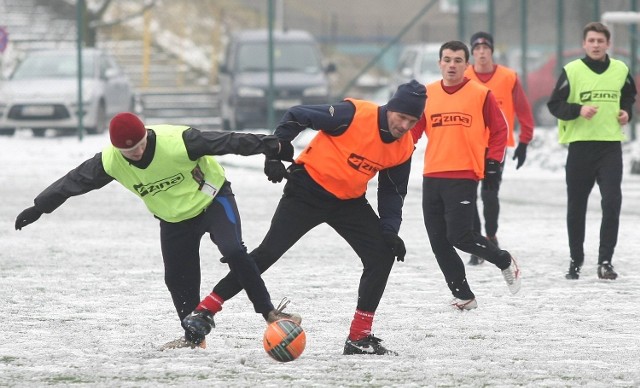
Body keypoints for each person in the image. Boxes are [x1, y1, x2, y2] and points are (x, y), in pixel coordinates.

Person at [14, 112, 299, 350]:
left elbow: (228, 141)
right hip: (173, 218)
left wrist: (270, 147)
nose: (136, 152)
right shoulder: (110, 161)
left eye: (140, 144)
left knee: (235, 251)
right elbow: (73, 181)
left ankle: (270, 313)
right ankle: (194, 338)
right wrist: (39, 207)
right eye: (129, 150)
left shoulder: (178, 141)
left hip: (213, 200)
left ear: (146, 135)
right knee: (177, 278)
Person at [181, 80, 427, 356]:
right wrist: (274, 153)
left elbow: (393, 192)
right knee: (268, 253)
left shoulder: (404, 147)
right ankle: (205, 311)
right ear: (391, 108)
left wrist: (390, 230)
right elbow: (298, 114)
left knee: (382, 255)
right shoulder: (354, 114)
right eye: (402, 117)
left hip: (348, 202)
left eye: (413, 120)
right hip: (307, 190)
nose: (405, 125)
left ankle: (359, 337)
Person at [411, 40, 521, 311]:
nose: (451, 65)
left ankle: (503, 260)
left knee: (460, 237)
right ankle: (464, 296)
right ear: (439, 63)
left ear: (466, 65)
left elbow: (499, 130)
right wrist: (393, 153)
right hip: (432, 174)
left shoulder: (480, 94)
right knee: (438, 241)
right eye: (447, 60)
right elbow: (412, 132)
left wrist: (494, 160)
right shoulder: (427, 94)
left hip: (464, 174)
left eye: (457, 60)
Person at [547, 22, 636, 280]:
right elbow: (554, 104)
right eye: (591, 40)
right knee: (577, 206)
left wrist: (626, 111)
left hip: (609, 147)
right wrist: (578, 110)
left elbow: (629, 94)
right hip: (580, 148)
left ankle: (605, 261)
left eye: (600, 41)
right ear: (584, 44)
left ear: (608, 44)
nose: (596, 45)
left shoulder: (620, 69)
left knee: (612, 202)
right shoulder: (572, 70)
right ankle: (576, 260)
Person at [464, 31, 535, 265]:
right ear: (472, 53)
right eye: (477, 49)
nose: (481, 53)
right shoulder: (464, 76)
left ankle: (491, 235)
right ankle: (476, 242)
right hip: (470, 144)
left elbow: (524, 110)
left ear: (492, 51)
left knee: (490, 193)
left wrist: (524, 141)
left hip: (496, 145)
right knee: (469, 195)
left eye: (485, 48)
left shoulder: (508, 77)